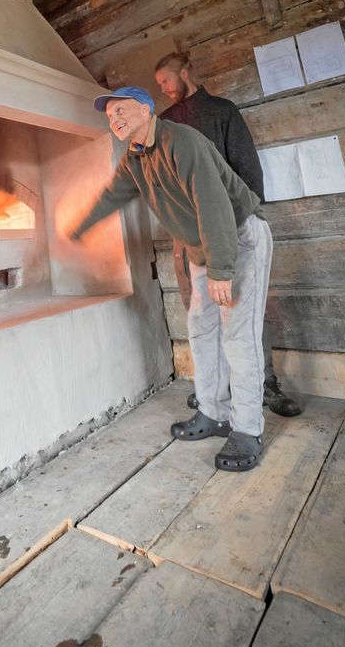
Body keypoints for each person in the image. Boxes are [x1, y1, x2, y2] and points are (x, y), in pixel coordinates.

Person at [69, 86, 273, 474]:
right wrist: (80, 228)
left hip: (237, 239)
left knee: (238, 336)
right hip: (203, 246)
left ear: (146, 110)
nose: (115, 119)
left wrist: (221, 270)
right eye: (110, 115)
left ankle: (247, 430)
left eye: (122, 110)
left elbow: (213, 203)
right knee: (201, 329)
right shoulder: (136, 158)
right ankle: (213, 413)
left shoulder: (182, 141)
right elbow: (114, 195)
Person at [154, 51, 300, 418]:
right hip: (188, 236)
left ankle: (264, 384)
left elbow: (248, 172)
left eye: (167, 80)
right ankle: (214, 391)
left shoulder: (222, 111)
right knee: (201, 313)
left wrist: (238, 222)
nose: (164, 89)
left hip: (231, 226)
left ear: (185, 72)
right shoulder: (165, 123)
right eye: (158, 85)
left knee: (244, 308)